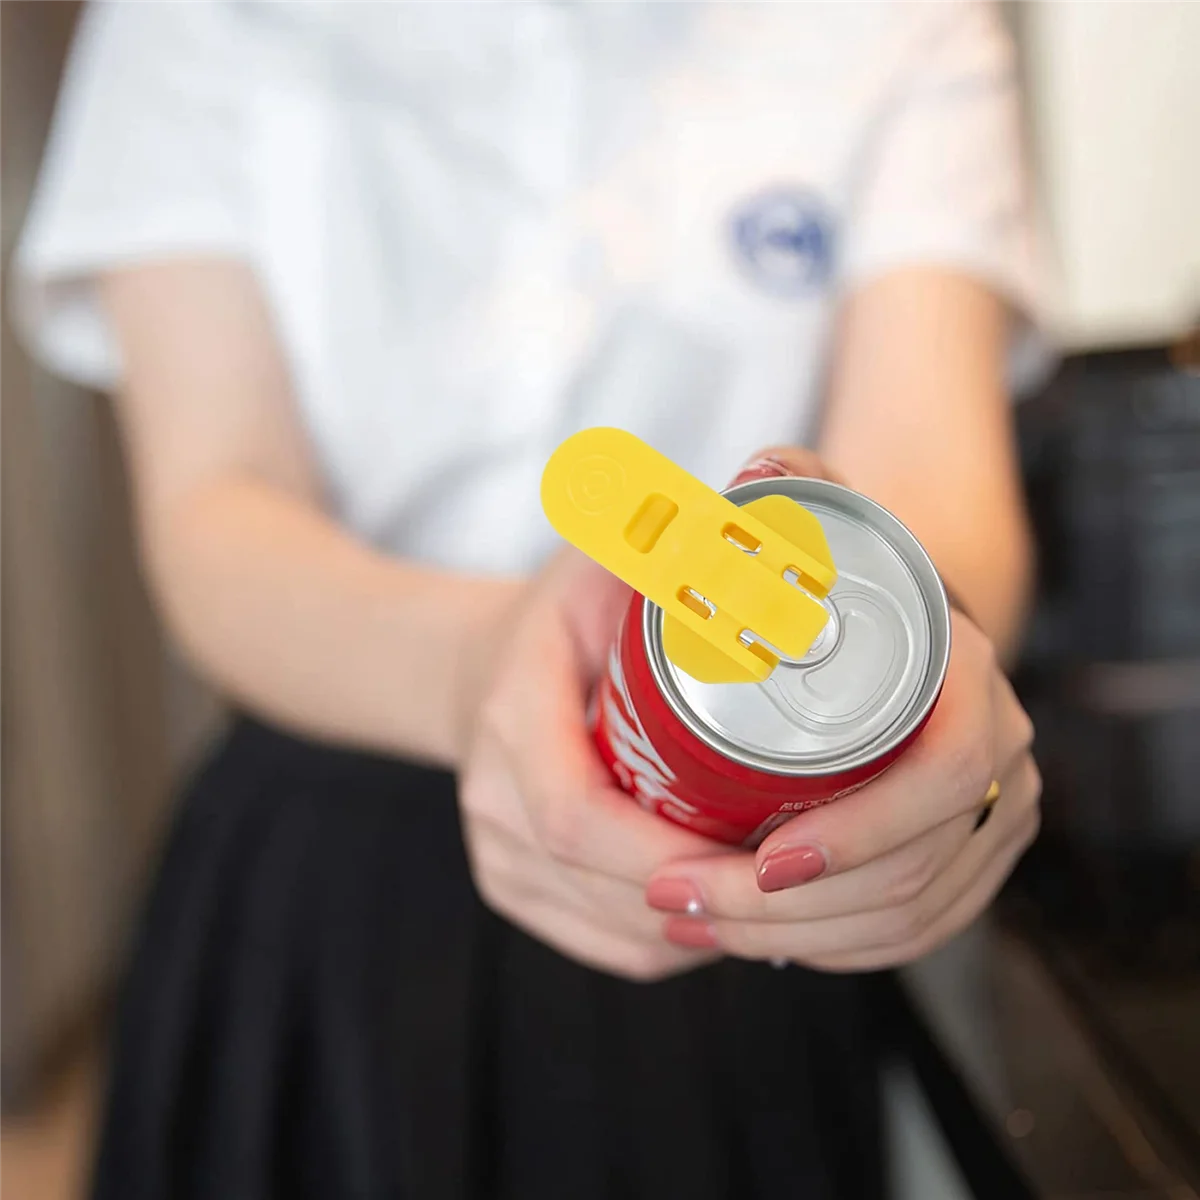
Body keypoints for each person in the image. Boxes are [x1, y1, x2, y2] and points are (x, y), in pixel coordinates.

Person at [13, 1, 1043, 1196]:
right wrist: (480, 664)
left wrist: (929, 697)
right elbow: (216, 510)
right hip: (333, 892)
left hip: (736, 880)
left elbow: (932, 479)